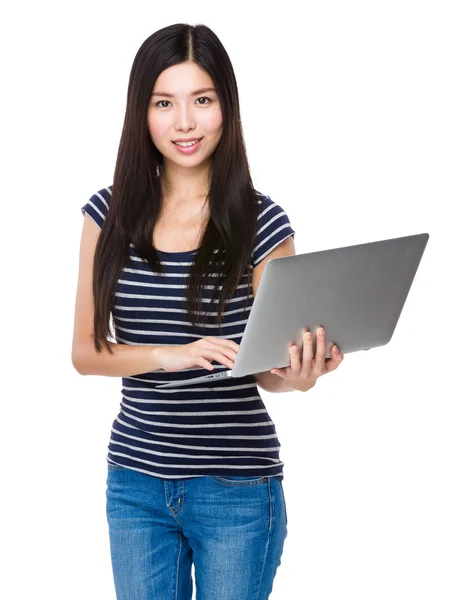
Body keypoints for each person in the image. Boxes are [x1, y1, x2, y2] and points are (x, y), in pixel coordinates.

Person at [72, 23, 344, 600]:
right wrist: (167, 356)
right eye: (164, 103)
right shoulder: (107, 215)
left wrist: (300, 376)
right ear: (141, 112)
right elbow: (86, 353)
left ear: (227, 107)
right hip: (135, 484)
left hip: (237, 490)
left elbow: (269, 367)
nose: (185, 123)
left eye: (202, 100)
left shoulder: (262, 223)